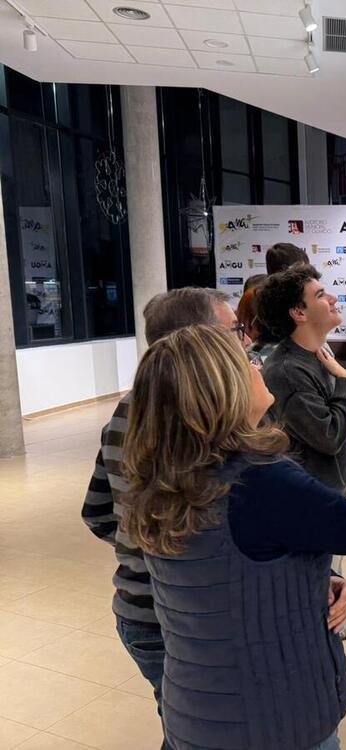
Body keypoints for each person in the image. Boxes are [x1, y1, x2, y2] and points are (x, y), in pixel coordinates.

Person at [121, 324, 346, 750]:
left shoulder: (164, 478)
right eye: (246, 363)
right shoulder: (258, 482)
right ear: (222, 389)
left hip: (196, 714)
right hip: (274, 722)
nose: (259, 367)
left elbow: (225, 570)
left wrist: (315, 579)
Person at [81, 288, 253, 750]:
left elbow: (97, 513)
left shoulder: (127, 411)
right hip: (183, 619)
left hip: (139, 612)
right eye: (233, 331)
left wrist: (144, 544)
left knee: (185, 726)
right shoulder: (206, 421)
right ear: (197, 339)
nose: (244, 342)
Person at [256, 265, 346, 639]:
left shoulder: (315, 355)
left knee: (329, 588)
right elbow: (329, 435)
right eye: (320, 295)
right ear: (298, 313)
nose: (332, 298)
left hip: (326, 502)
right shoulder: (287, 370)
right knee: (316, 607)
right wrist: (345, 383)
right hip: (310, 509)